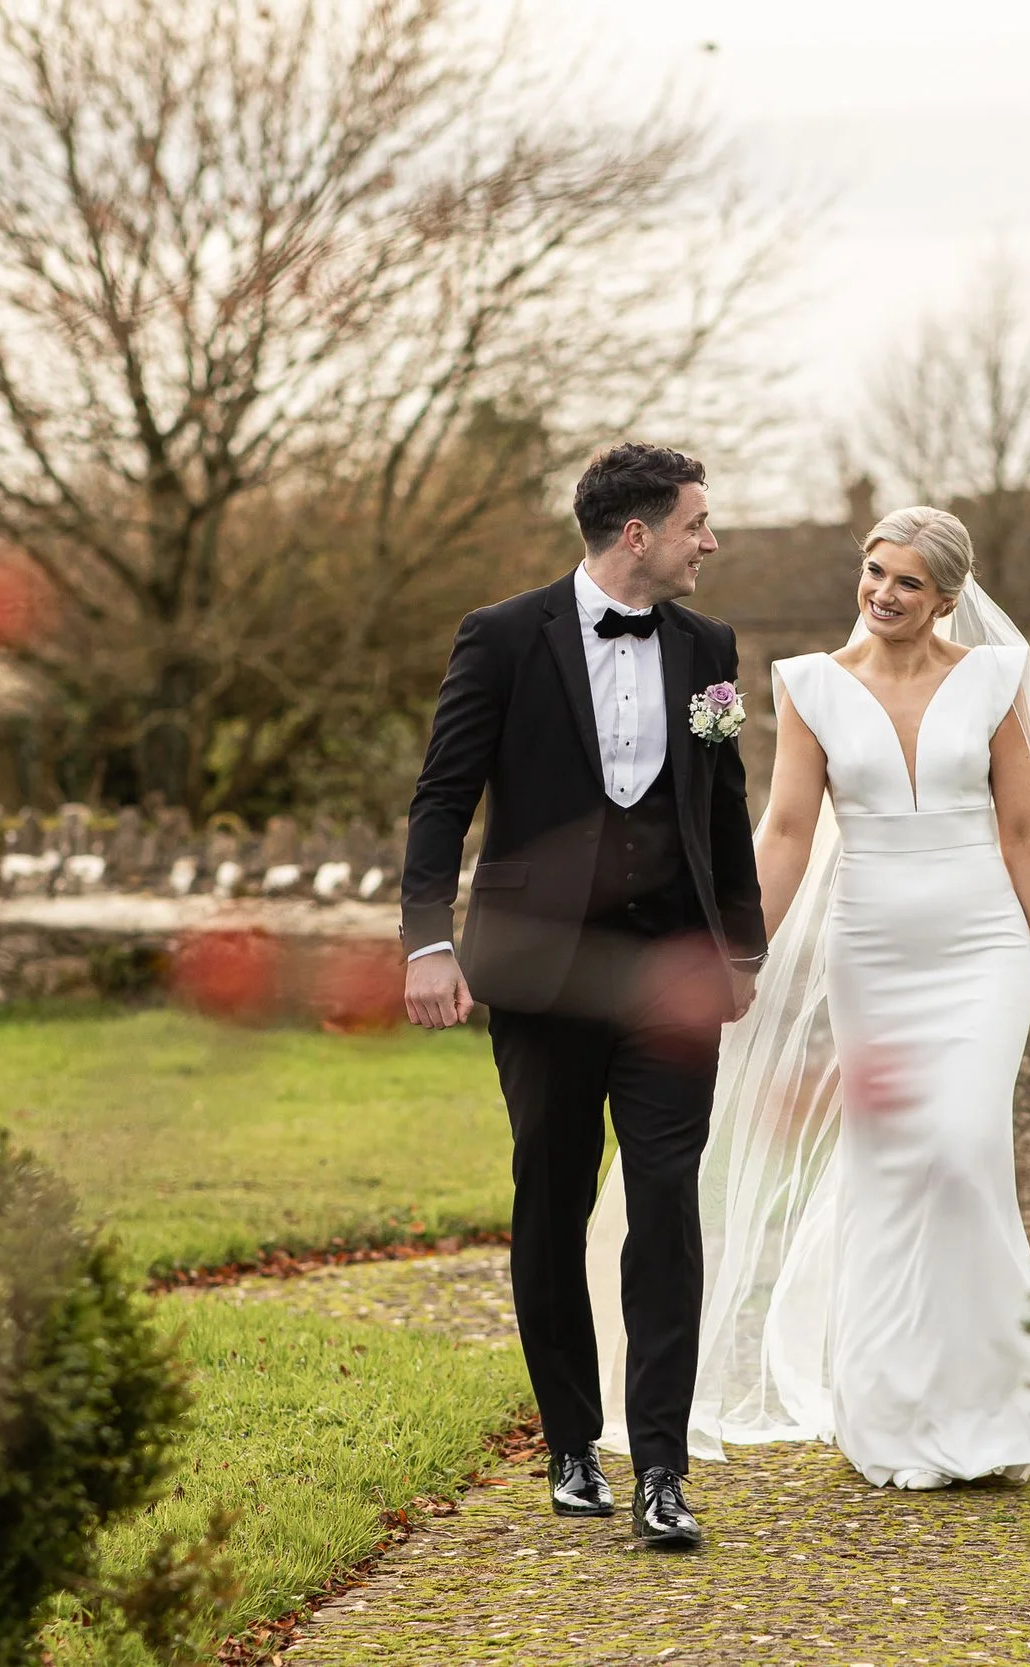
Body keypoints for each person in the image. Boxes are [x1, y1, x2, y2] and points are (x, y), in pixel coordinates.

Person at [588, 503, 1030, 1489]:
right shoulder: (811, 685)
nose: (882, 593)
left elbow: (1027, 831)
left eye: (906, 580)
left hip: (979, 946)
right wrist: (742, 952)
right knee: (894, 1162)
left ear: (946, 596)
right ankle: (891, 1408)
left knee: (960, 1151)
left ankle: (996, 1401)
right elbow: (783, 832)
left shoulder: (994, 676)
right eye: (873, 570)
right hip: (875, 951)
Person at [399, 442, 766, 1549]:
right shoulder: (503, 635)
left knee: (665, 1204)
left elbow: (721, 803)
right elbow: (440, 799)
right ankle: (570, 1439)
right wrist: (426, 942)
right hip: (540, 972)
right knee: (552, 1200)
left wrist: (738, 949)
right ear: (639, 534)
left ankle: (661, 1464)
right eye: (699, 522)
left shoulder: (709, 646)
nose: (714, 542)